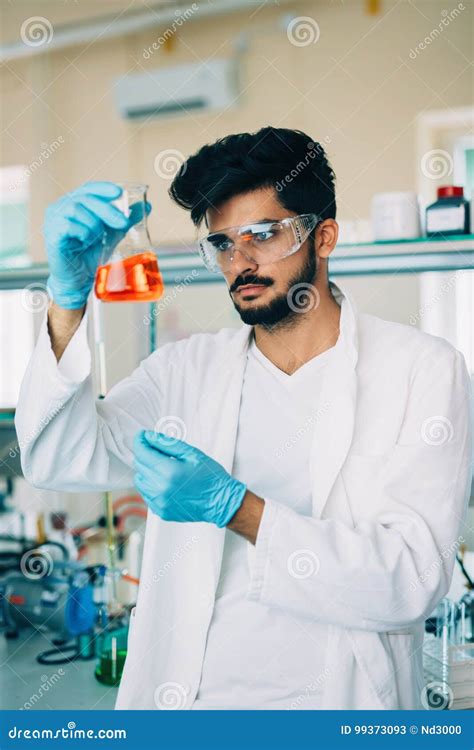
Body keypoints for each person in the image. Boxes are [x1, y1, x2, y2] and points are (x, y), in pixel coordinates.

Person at [15, 126, 472, 710]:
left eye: (263, 234)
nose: (241, 260)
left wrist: (238, 509)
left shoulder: (423, 370)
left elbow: (410, 581)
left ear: (323, 235)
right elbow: (60, 457)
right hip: (193, 712)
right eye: (224, 243)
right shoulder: (184, 370)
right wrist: (68, 299)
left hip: (337, 710)